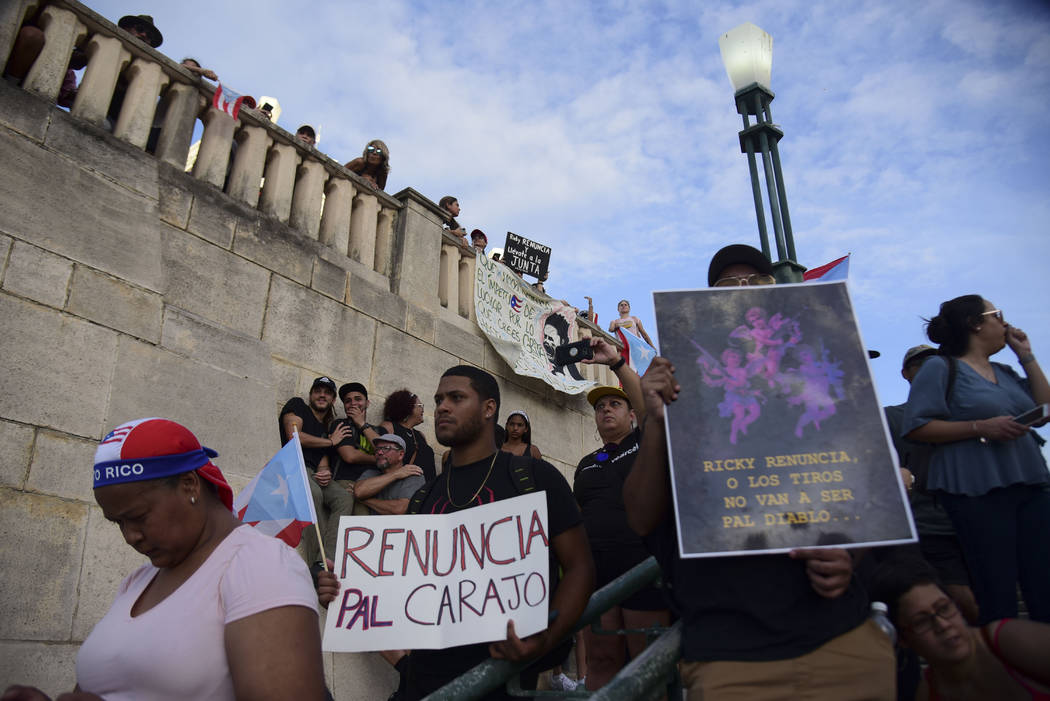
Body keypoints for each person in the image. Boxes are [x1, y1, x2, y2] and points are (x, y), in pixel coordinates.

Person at [623, 243, 894, 700]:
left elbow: (865, 493)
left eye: (758, 282)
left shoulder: (817, 382)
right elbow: (639, 516)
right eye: (729, 284)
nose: (744, 291)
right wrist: (655, 425)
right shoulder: (678, 391)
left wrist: (852, 556)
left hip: (842, 642)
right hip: (732, 660)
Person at [318, 365, 594, 700]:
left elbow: (580, 567)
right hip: (422, 683)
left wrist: (545, 639)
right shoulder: (425, 496)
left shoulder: (534, 478)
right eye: (438, 400)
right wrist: (343, 586)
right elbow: (397, 587)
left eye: (456, 397)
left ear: (489, 408)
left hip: (501, 681)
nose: (442, 407)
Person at [2, 418, 325, 701]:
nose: (130, 536)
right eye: (118, 523)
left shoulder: (259, 565)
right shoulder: (138, 582)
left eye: (138, 516)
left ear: (189, 485)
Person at [902, 294, 1050, 624]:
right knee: (996, 588)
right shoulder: (940, 368)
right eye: (997, 314)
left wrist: (1026, 356)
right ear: (975, 323)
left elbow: (1045, 409)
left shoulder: (1005, 371)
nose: (1004, 322)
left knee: (1043, 582)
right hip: (976, 489)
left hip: (1029, 481)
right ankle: (1002, 663)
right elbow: (917, 426)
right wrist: (979, 427)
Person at [574, 340, 671, 690]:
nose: (605, 411)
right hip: (599, 575)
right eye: (600, 407)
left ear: (631, 414)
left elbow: (649, 408)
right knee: (601, 661)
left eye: (615, 404)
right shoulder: (586, 464)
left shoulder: (645, 441)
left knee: (647, 668)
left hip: (642, 570)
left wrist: (616, 363)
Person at [884, 344, 979, 624]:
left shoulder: (969, 415)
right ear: (905, 373)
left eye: (935, 361)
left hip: (972, 520)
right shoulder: (890, 417)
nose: (928, 366)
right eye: (919, 362)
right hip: (924, 523)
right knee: (961, 599)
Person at [870, 558, 1050, 700]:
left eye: (944, 608)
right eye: (922, 621)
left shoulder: (1006, 639)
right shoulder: (927, 692)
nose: (943, 625)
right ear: (902, 639)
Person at [279, 376, 353, 564]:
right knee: (314, 494)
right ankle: (316, 562)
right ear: (311, 394)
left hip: (312, 471)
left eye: (327, 393)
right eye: (318, 391)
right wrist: (330, 441)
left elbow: (322, 461)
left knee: (344, 497)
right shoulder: (298, 406)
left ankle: (326, 557)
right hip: (292, 466)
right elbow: (294, 436)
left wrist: (325, 472)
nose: (322, 395)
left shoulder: (326, 427)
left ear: (333, 400)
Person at [353, 434, 425, 515]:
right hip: (369, 526)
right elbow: (359, 492)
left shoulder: (413, 475)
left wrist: (364, 499)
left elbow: (399, 509)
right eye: (377, 449)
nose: (379, 452)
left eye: (386, 448)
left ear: (401, 455)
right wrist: (396, 474)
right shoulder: (370, 473)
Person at [378, 388, 437, 483]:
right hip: (405, 489)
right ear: (408, 407)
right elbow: (380, 456)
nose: (422, 409)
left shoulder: (420, 435)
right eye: (420, 405)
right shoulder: (390, 427)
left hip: (426, 490)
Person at [542, 313, 585, 381]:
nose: (546, 341)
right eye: (545, 337)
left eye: (550, 339)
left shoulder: (570, 371)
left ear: (562, 341)